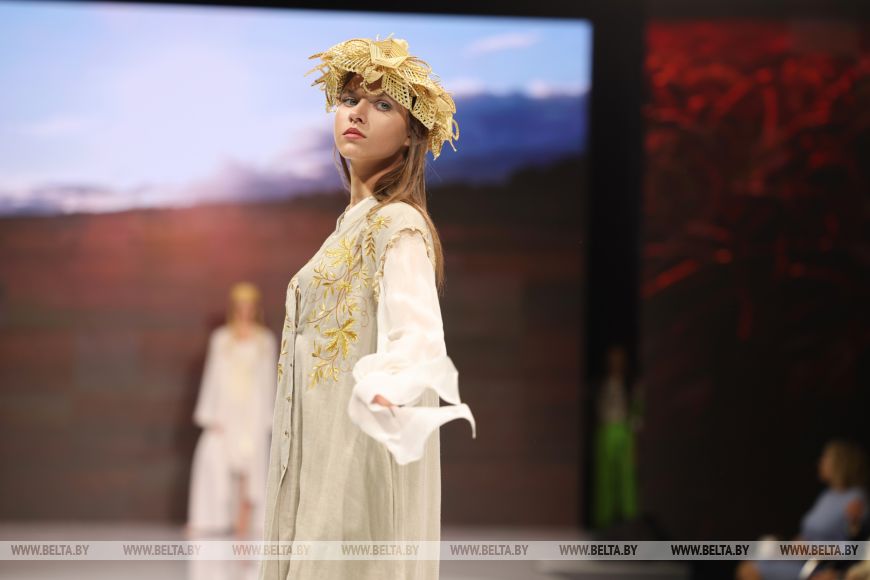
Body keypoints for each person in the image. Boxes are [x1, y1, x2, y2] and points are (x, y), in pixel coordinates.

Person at [258, 35, 477, 580]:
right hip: (315, 457)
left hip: (353, 462)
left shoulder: (396, 225)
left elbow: (419, 336)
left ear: (411, 135)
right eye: (349, 99)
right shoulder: (350, 229)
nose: (356, 113)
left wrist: (384, 393)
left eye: (382, 104)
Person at [187, 282, 277, 539]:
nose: (245, 309)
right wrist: (210, 413)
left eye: (249, 305)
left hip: (253, 408)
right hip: (226, 408)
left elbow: (269, 379)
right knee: (215, 458)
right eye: (241, 304)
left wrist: (270, 416)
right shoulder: (222, 339)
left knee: (252, 463)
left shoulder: (265, 340)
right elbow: (213, 376)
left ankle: (245, 520)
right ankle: (211, 518)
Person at [735, 440, 868, 580]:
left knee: (750, 571)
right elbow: (808, 533)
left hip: (818, 564)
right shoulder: (827, 495)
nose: (820, 462)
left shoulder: (856, 499)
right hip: (799, 556)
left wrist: (807, 549)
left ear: (840, 463)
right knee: (749, 563)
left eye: (826, 458)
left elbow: (853, 547)